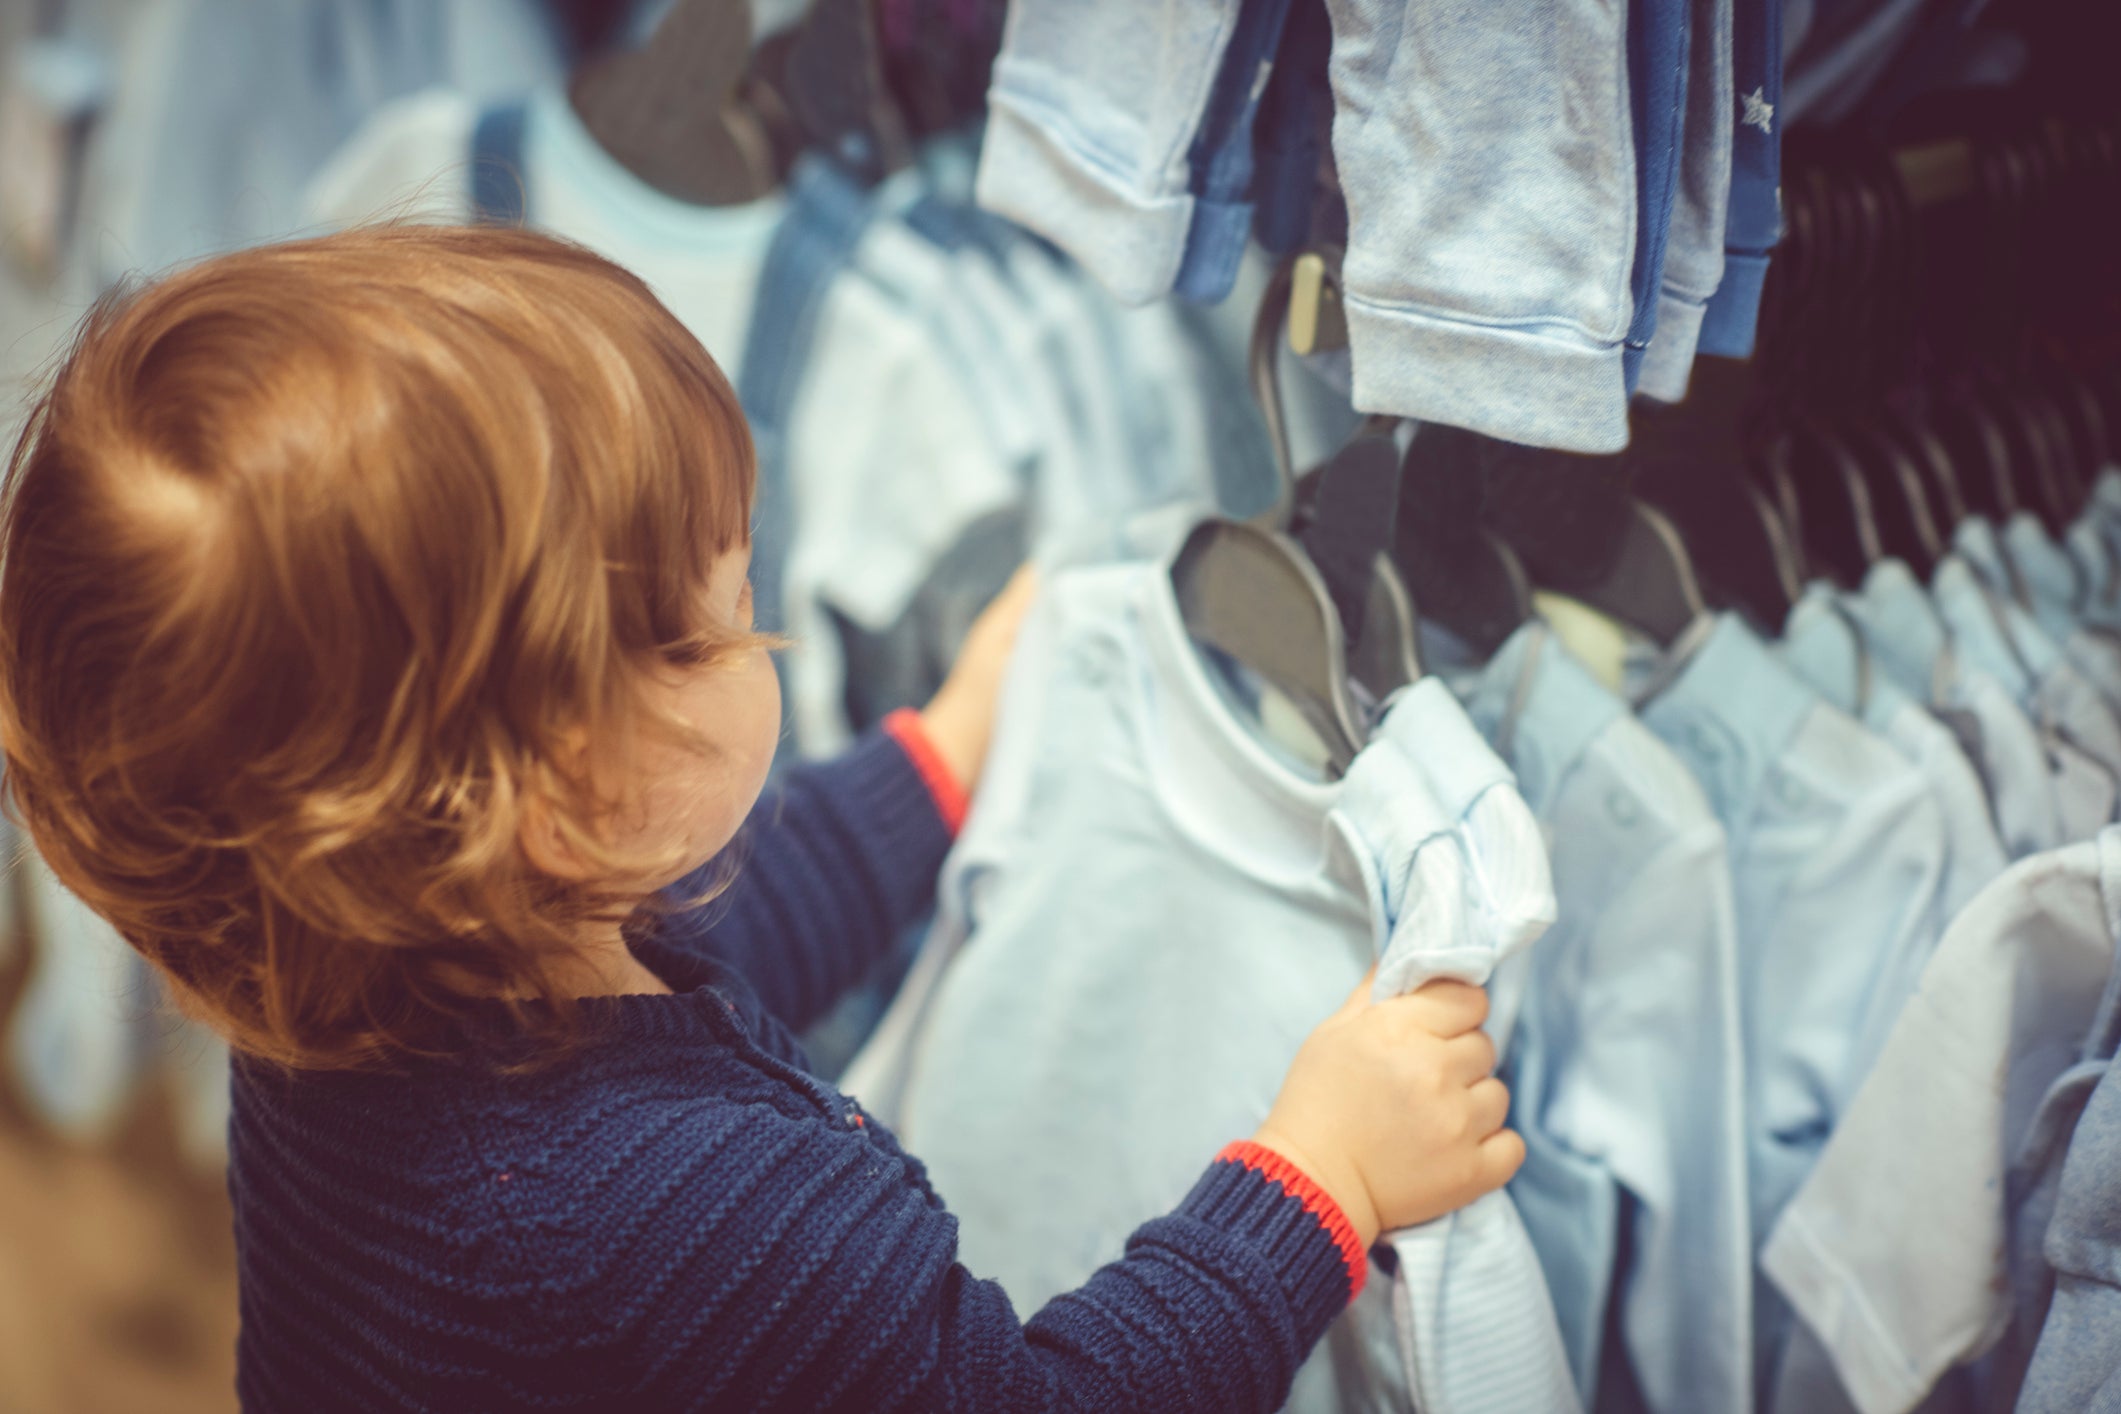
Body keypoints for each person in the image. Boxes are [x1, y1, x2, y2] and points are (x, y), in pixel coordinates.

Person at [0, 224, 1522, 1412]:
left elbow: (720, 928)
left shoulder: (351, 967)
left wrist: (937, 760)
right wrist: (1320, 1174)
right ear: (548, 797)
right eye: (721, 625)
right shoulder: (701, 1214)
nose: (762, 637)